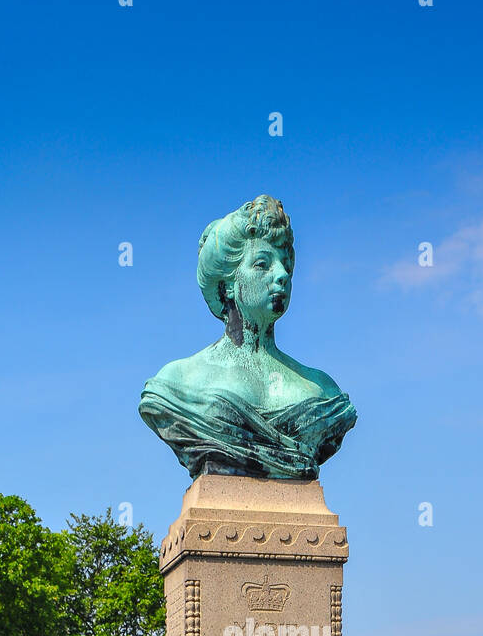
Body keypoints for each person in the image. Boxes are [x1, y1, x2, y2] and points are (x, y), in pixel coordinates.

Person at [139, 195, 356, 478]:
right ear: (227, 284)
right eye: (262, 264)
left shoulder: (324, 391)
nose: (281, 275)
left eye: (285, 265)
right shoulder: (177, 383)